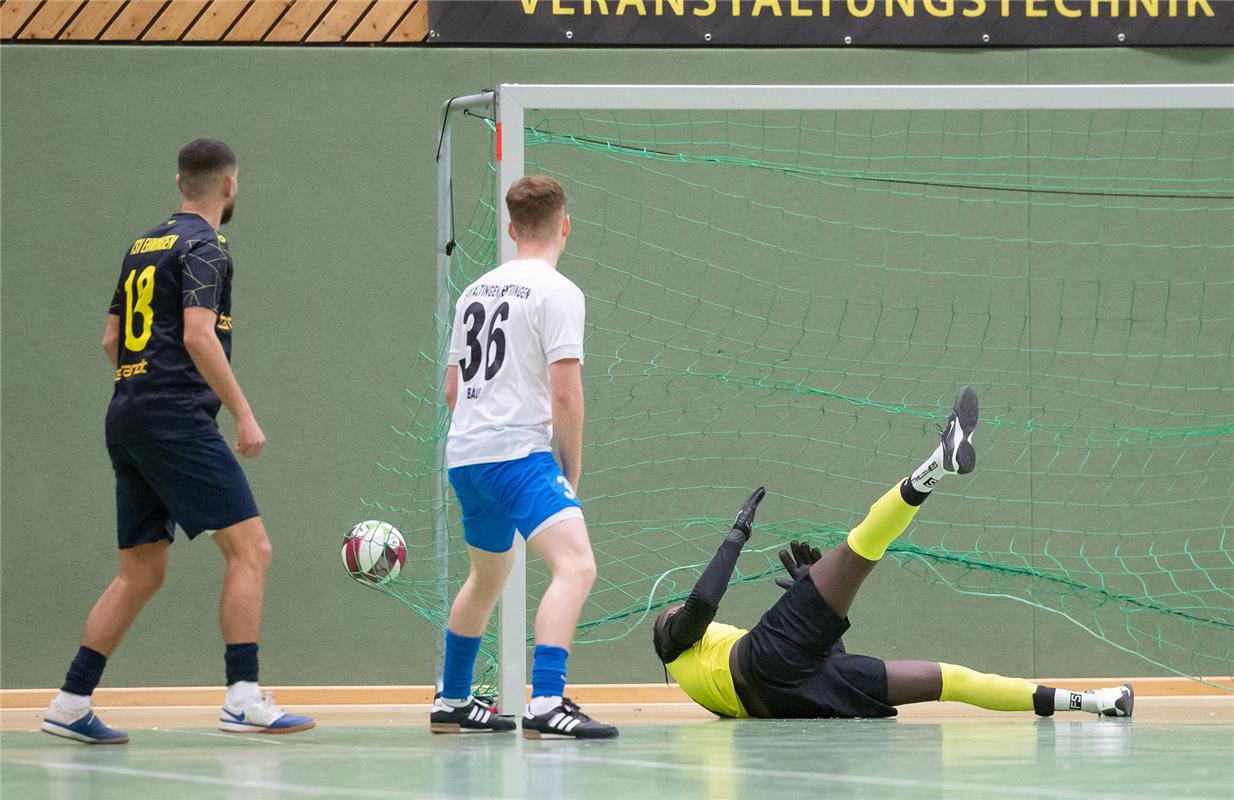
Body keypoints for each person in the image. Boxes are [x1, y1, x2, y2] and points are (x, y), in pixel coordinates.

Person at [41, 140, 314, 744]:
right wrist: (243, 415)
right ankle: (243, 696)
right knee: (252, 550)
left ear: (178, 182)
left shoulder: (144, 245)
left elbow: (112, 340)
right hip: (174, 418)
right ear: (230, 186)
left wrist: (143, 393)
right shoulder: (206, 246)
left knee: (140, 571)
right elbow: (197, 334)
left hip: (128, 413)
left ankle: (69, 700)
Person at [653, 388, 1134, 721]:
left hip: (795, 694)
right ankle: (936, 466)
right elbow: (700, 606)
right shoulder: (675, 641)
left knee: (948, 680)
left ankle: (1095, 702)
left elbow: (804, 666)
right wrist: (736, 536)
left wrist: (811, 598)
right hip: (764, 660)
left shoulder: (708, 688)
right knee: (862, 544)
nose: (672, 613)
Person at [430, 175, 617, 739]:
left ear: (511, 229)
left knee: (488, 577)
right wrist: (570, 467)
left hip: (466, 456)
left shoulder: (474, 292)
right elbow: (566, 391)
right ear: (565, 225)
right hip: (518, 455)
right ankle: (546, 703)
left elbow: (450, 390)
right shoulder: (559, 292)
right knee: (576, 565)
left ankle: (452, 699)